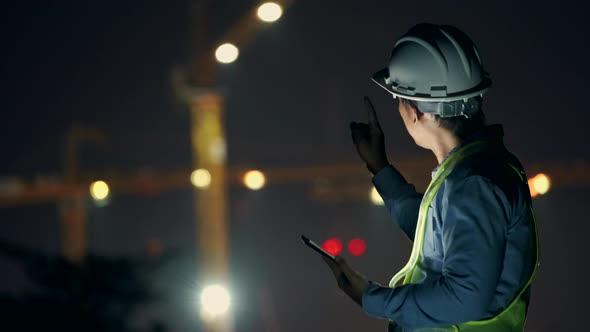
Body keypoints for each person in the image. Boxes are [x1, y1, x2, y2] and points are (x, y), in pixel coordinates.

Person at [321, 23, 540, 331]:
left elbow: (465, 296)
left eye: (398, 98)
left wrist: (371, 298)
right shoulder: (473, 172)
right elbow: (441, 234)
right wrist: (381, 169)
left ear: (416, 111)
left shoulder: (473, 182)